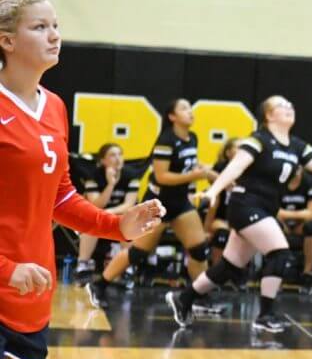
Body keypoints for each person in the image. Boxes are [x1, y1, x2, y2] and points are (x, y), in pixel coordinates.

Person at [0, 0, 164, 359]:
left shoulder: (52, 107)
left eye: (56, 26)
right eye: (40, 26)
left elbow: (61, 196)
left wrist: (117, 225)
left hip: (32, 292)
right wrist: (6, 268)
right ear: (6, 40)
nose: (54, 35)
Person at [166, 95, 312, 333]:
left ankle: (184, 298)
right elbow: (236, 167)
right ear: (268, 115)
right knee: (280, 253)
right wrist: (213, 191)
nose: (289, 108)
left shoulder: (297, 146)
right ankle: (265, 314)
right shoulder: (259, 140)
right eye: (282, 105)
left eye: (290, 104)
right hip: (245, 206)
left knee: (229, 266)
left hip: (264, 209)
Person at [87, 99, 219, 311]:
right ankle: (99, 284)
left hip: (180, 202)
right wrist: (195, 175)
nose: (190, 112)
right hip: (158, 204)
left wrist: (214, 175)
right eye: (184, 109)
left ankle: (199, 297)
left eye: (190, 108)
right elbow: (162, 176)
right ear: (172, 117)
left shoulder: (192, 138)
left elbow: (191, 165)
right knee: (138, 252)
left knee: (199, 250)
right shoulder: (166, 141)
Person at [74, 143, 141, 285]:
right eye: (112, 155)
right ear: (103, 161)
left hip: (123, 215)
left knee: (128, 224)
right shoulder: (93, 175)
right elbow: (96, 205)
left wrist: (107, 214)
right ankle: (83, 265)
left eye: (120, 154)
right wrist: (110, 184)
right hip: (101, 214)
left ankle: (128, 268)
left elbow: (129, 205)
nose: (118, 158)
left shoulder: (131, 175)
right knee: (90, 222)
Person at [275, 165, 312, 294]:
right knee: (272, 224)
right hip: (281, 225)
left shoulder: (310, 182)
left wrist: (285, 214)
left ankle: (307, 273)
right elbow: (272, 210)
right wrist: (298, 215)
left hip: (301, 226)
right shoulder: (277, 180)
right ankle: (275, 273)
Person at [205, 138, 240, 268]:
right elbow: (214, 200)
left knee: (242, 235)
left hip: (242, 217)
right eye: (238, 147)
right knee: (222, 234)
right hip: (222, 217)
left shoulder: (250, 170)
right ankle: (216, 272)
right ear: (228, 152)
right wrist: (206, 228)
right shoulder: (220, 168)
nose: (242, 151)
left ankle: (238, 274)